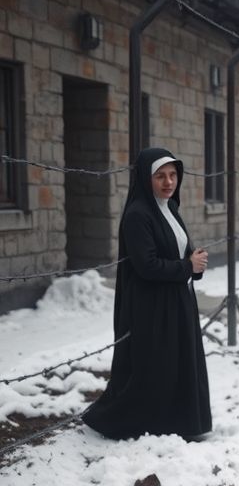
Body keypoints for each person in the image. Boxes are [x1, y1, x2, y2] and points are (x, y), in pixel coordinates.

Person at [82, 148, 211, 441]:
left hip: (176, 300)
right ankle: (118, 422)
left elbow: (176, 253)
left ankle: (179, 424)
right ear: (145, 178)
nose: (168, 182)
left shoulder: (169, 208)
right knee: (155, 369)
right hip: (152, 306)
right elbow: (146, 266)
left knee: (177, 365)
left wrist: (193, 262)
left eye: (173, 175)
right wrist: (186, 266)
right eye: (160, 176)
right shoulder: (138, 215)